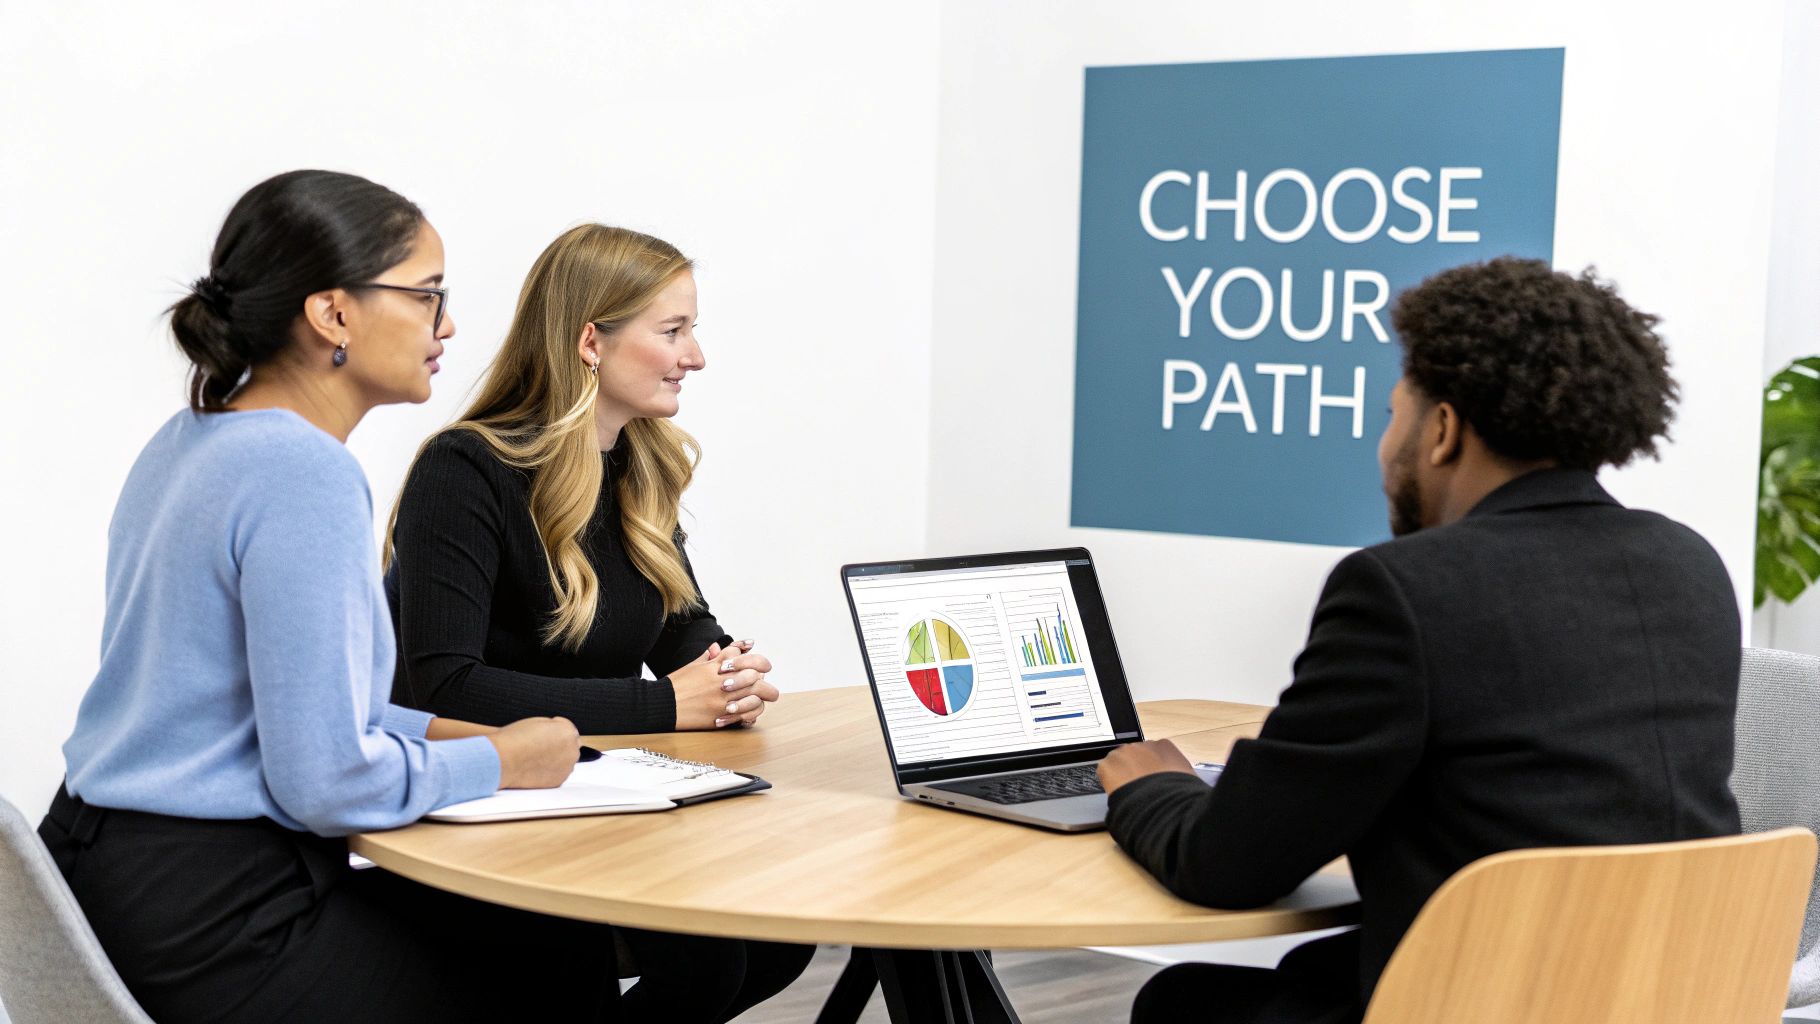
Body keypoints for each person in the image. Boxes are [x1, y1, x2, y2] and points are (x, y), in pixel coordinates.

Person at [39, 170, 623, 1023]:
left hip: (104, 868)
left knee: (543, 947)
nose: (448, 324)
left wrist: (446, 731)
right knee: (557, 966)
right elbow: (324, 780)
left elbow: (269, 702)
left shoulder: (193, 440)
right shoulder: (303, 471)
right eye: (427, 296)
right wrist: (503, 763)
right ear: (333, 314)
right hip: (219, 914)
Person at [1098, 257, 1742, 1024]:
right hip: (1660, 993)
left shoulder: (1403, 588)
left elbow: (1227, 865)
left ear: (1442, 431)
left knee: (1182, 1004)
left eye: (1393, 413)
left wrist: (1148, 783)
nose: (1383, 446)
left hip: (1483, 996)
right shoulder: (1688, 563)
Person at [384, 223, 810, 1023]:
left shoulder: (638, 463)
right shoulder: (466, 469)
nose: (696, 357)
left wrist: (727, 672)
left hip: (591, 791)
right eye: (673, 331)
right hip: (481, 808)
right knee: (706, 960)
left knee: (777, 943)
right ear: (591, 340)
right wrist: (666, 706)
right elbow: (441, 682)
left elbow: (679, 624)